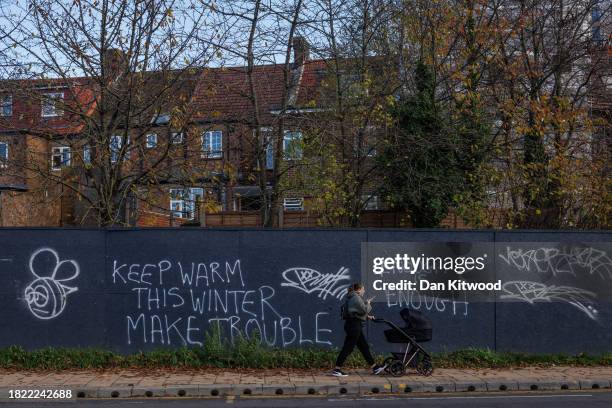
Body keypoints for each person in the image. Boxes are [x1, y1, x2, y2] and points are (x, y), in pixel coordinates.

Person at [332, 282, 385, 377]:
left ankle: (375, 367)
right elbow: (364, 309)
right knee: (348, 347)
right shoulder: (355, 297)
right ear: (359, 289)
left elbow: (356, 312)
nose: (364, 291)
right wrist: (368, 303)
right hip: (354, 326)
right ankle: (337, 369)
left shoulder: (353, 297)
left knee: (364, 347)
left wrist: (368, 316)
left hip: (354, 325)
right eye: (363, 289)